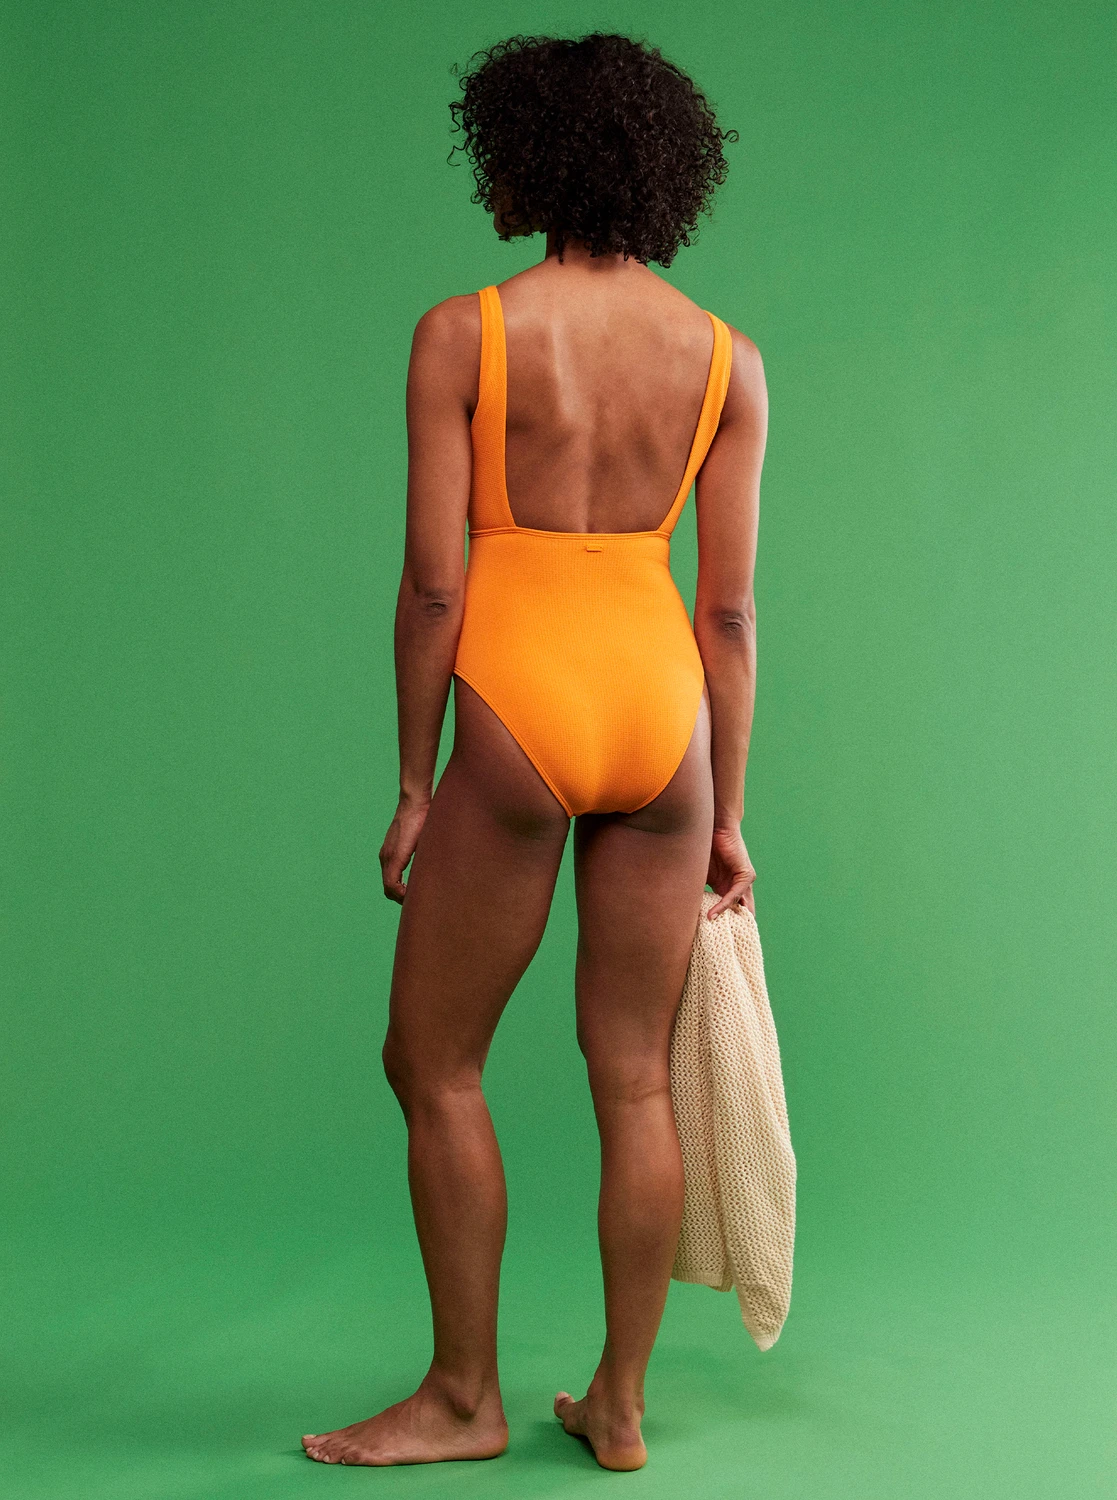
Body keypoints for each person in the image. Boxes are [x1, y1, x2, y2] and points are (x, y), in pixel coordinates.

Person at [302, 31, 767, 1473]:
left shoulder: (468, 332)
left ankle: (464, 1399)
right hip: (665, 711)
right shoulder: (726, 359)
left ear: (525, 157)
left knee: (434, 1062)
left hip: (521, 698)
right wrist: (728, 815)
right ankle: (619, 1405)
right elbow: (730, 611)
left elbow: (434, 586)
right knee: (633, 1079)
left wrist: (413, 782)